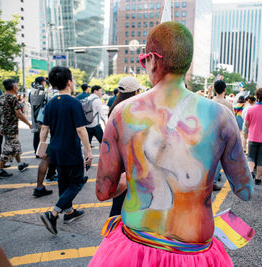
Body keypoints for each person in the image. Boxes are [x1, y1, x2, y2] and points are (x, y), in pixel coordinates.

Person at [90, 21, 253, 267]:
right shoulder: (222, 117)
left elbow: (104, 192)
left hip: (134, 249)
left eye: (145, 60)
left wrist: (133, 176)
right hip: (194, 251)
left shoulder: (122, 113)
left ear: (154, 60)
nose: (146, 66)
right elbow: (245, 191)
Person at [39, 66, 92, 235]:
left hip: (55, 150)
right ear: (69, 82)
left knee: (63, 181)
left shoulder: (51, 103)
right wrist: (88, 152)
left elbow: (44, 129)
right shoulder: (74, 102)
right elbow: (81, 130)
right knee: (77, 182)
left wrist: (41, 146)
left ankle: (68, 212)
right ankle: (53, 213)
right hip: (71, 150)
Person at [108, 76, 141, 217]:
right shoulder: (133, 111)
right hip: (130, 161)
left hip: (116, 161)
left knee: (118, 200)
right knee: (130, 200)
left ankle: (111, 231)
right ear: (135, 92)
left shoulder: (113, 108)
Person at [0, 79, 31, 178]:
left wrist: (0, 126)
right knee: (8, 147)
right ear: (12, 86)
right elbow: (18, 113)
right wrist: (29, 124)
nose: (17, 87)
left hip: (4, 126)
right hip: (11, 127)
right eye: (16, 85)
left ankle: (20, 164)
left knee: (15, 144)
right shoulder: (12, 98)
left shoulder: (0, 97)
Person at [212, 79, 234, 191]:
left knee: (210, 158)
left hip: (210, 133)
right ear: (225, 90)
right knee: (220, 157)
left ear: (214, 89)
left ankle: (211, 179)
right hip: (223, 133)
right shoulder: (229, 104)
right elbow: (232, 121)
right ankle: (214, 181)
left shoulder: (209, 101)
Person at [29, 76, 47, 153]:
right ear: (41, 82)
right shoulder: (42, 90)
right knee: (41, 133)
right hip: (40, 113)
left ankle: (36, 151)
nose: (45, 83)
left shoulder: (32, 90)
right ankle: (39, 152)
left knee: (36, 134)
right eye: (44, 81)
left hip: (34, 112)